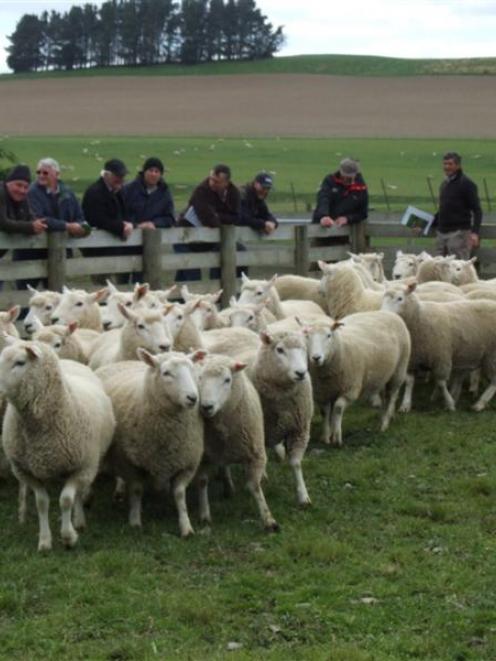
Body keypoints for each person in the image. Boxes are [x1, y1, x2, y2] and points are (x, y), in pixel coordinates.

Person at [176, 164, 241, 281]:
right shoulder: (201, 191)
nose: (212, 183)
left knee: (239, 252)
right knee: (192, 272)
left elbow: (236, 218)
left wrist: (217, 215)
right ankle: (183, 296)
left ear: (226, 183)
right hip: (185, 236)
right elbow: (209, 219)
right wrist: (220, 218)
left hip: (207, 239)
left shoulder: (234, 193)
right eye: (211, 179)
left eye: (216, 181)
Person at [82, 159, 135, 284]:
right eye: (118, 176)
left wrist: (128, 224)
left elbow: (124, 214)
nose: (121, 179)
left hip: (117, 249)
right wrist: (121, 227)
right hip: (98, 251)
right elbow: (97, 219)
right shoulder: (94, 192)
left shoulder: (118, 192)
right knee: (103, 287)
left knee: (121, 289)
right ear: (106, 175)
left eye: (122, 176)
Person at [0, 164, 49, 290]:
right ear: (7, 183)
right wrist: (30, 227)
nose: (22, 190)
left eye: (26, 187)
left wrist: (38, 225)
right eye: (18, 185)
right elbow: (3, 222)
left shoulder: (23, 199)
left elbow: (30, 217)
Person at [433, 152, 482, 259]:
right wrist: (424, 225)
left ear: (458, 165)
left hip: (459, 233)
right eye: (445, 164)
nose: (447, 167)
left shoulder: (467, 184)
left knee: (458, 268)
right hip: (442, 233)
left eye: (450, 164)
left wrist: (475, 233)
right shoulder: (444, 184)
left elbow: (477, 210)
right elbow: (443, 210)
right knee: (438, 268)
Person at [28, 158, 86, 237]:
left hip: (65, 244)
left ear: (57, 174)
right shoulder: (32, 192)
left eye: (45, 173)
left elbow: (79, 216)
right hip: (38, 244)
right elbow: (40, 219)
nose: (41, 175)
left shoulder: (68, 192)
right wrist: (67, 226)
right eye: (38, 172)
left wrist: (79, 226)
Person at [312, 157, 368, 227]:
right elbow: (324, 199)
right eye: (344, 176)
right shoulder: (329, 181)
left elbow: (362, 213)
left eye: (349, 178)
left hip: (346, 230)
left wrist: (347, 219)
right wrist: (324, 216)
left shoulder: (361, 187)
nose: (346, 180)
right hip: (323, 225)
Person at [122, 157, 175, 229]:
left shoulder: (165, 193)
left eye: (156, 171)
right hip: (129, 233)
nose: (153, 174)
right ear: (144, 172)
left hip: (154, 235)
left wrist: (154, 223)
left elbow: (169, 218)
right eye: (150, 170)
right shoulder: (129, 189)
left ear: (160, 175)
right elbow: (120, 213)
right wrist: (136, 226)